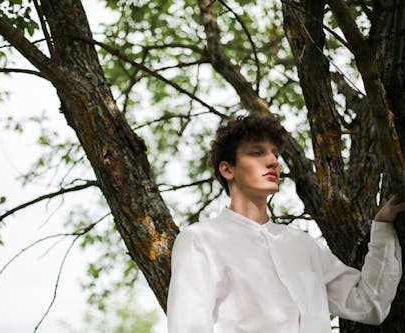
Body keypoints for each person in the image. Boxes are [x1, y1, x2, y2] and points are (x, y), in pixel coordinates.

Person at [166, 114, 404, 333]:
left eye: (276, 154)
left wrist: (382, 227)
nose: (272, 161)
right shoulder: (200, 240)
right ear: (228, 169)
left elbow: (368, 305)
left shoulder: (302, 244)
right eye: (257, 153)